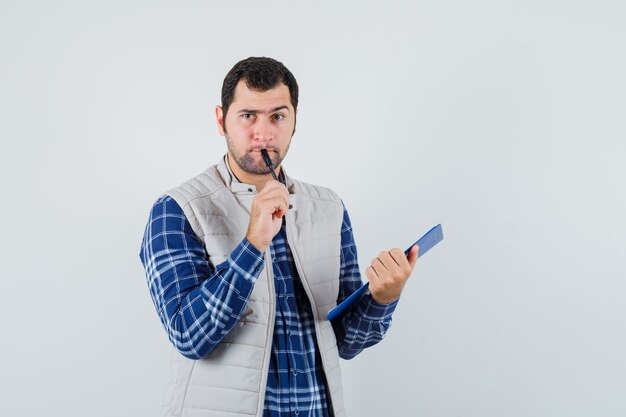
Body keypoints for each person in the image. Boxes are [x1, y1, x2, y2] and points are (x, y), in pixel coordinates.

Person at [139, 56, 419, 417]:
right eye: (247, 116)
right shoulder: (177, 209)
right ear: (221, 120)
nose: (264, 133)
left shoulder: (329, 208)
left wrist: (382, 298)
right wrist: (252, 244)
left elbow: (347, 342)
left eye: (277, 116)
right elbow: (188, 336)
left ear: (295, 120)